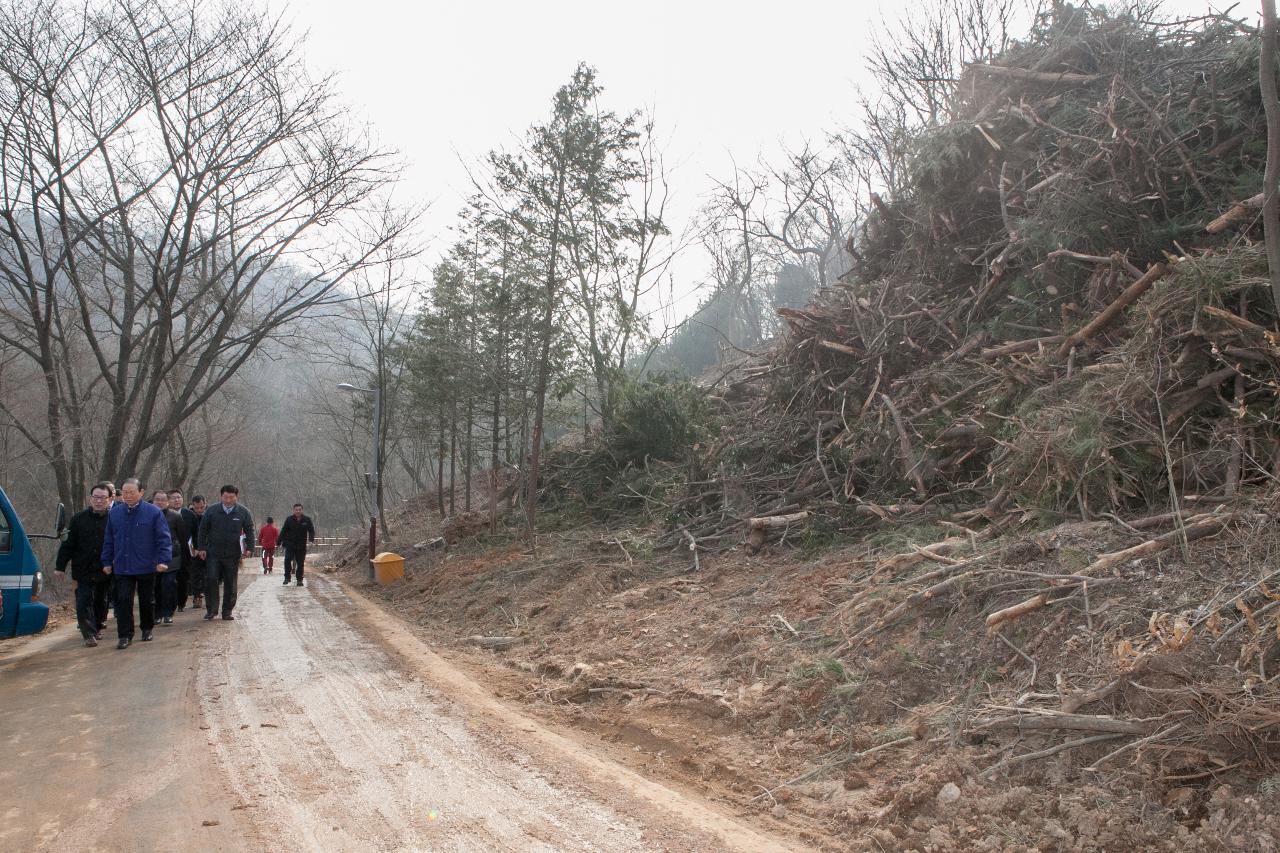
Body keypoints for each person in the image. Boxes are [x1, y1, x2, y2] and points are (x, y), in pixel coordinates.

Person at [101, 478, 172, 650]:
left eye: (132, 492)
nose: (128, 495)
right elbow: (109, 539)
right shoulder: (115, 513)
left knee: (147, 600)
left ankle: (147, 628)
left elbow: (163, 538)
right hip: (123, 565)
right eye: (125, 492)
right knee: (123, 600)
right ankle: (125, 635)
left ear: (141, 493)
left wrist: (163, 560)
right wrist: (106, 561)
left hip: (147, 564)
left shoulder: (153, 512)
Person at [54, 483, 112, 646]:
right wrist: (60, 566)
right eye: (96, 497)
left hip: (105, 568)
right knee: (83, 600)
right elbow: (68, 545)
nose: (99, 501)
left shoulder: (114, 518)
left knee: (101, 600)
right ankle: (88, 634)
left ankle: (98, 626)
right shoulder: (78, 519)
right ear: (90, 499)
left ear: (109, 499)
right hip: (83, 568)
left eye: (102, 498)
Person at [197, 485, 253, 620]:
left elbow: (249, 531)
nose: (228, 500)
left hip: (232, 554)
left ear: (236, 497)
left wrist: (249, 548)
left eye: (231, 497)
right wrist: (202, 548)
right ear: (221, 496)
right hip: (213, 553)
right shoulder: (211, 511)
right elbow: (202, 530)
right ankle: (212, 610)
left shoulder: (243, 512)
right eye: (225, 497)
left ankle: (227, 611)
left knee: (230, 583)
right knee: (211, 580)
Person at [151, 489, 186, 625]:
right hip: (152, 556)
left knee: (169, 584)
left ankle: (168, 612)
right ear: (152, 501)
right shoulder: (147, 515)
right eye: (157, 500)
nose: (160, 502)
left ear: (168, 502)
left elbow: (182, 537)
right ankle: (156, 613)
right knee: (155, 586)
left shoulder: (175, 516)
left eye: (163, 500)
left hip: (172, 556)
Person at [278, 503, 316, 587]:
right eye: (296, 510)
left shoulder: (307, 520)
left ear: (302, 510)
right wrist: (279, 541)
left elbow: (311, 531)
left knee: (300, 563)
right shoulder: (289, 519)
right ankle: (287, 577)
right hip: (290, 544)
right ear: (293, 510)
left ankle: (299, 579)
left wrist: (311, 540)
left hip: (301, 545)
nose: (298, 511)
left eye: (299, 509)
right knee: (287, 560)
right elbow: (283, 530)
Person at [168, 489, 190, 611]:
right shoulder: (163, 514)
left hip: (185, 551)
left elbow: (196, 532)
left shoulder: (188, 514)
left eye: (179, 497)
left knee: (183, 578)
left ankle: (181, 602)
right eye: (173, 498)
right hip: (168, 552)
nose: (176, 500)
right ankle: (170, 603)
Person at [183, 495, 207, 609]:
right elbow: (187, 535)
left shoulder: (209, 515)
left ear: (205, 505)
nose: (199, 510)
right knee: (195, 575)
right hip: (194, 550)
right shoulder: (188, 516)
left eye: (202, 507)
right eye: (197, 508)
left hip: (207, 549)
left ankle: (207, 594)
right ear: (192, 506)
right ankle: (197, 596)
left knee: (207, 574)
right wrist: (194, 550)